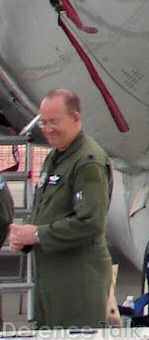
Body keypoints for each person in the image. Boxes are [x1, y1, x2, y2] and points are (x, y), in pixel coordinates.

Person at [3, 89, 113, 326]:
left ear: (75, 118)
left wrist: (36, 234)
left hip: (77, 283)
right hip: (52, 281)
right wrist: (25, 237)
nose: (47, 128)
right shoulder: (56, 157)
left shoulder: (87, 162)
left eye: (54, 122)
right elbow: (47, 208)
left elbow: (91, 222)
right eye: (43, 122)